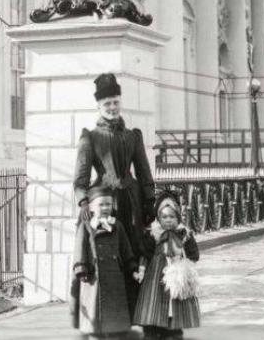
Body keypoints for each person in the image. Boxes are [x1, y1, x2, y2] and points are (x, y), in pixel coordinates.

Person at [74, 73, 156, 314]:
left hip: (131, 203)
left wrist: (149, 199)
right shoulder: (91, 137)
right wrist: (84, 204)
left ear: (121, 103)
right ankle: (107, 315)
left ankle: (134, 313)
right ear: (99, 105)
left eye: (115, 102)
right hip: (103, 203)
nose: (112, 107)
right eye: (107, 103)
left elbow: (143, 170)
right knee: (108, 256)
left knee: (134, 252)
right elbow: (79, 180)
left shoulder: (132, 136)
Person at [70, 186, 142, 337]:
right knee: (95, 314)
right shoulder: (87, 227)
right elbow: (79, 250)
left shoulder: (117, 226)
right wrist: (81, 268)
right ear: (91, 207)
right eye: (101, 204)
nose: (105, 208)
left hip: (115, 278)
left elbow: (125, 251)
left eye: (108, 204)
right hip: (93, 278)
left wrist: (133, 268)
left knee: (114, 319)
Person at [133, 192, 201, 339]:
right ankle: (153, 327)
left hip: (177, 274)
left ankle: (173, 328)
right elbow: (145, 253)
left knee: (174, 300)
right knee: (153, 300)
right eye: (164, 217)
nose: (168, 220)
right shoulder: (154, 234)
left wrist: (187, 267)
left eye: (172, 217)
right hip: (155, 275)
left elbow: (193, 253)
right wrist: (142, 268)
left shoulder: (184, 234)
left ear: (178, 217)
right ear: (158, 218)